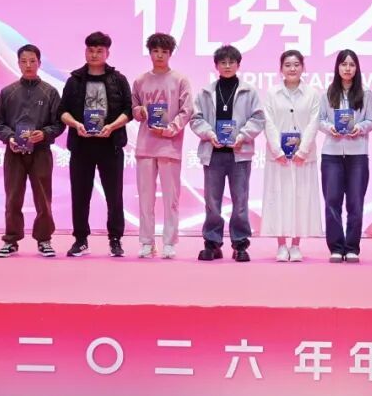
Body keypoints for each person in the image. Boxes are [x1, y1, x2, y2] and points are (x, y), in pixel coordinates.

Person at [58, 31, 133, 258]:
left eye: (99, 51)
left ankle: (115, 239)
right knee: (80, 195)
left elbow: (128, 111)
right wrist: (76, 124)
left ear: (107, 53)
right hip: (81, 146)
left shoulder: (118, 80)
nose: (94, 54)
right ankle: (80, 240)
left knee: (114, 195)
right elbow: (62, 111)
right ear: (85, 51)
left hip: (110, 145)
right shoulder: (74, 80)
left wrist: (112, 127)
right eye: (91, 50)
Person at [189, 44, 265, 262]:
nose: (228, 65)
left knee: (240, 202)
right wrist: (209, 134)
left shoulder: (249, 91)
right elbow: (196, 119)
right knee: (212, 202)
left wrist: (242, 136)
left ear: (238, 65)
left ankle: (240, 244)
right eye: (223, 62)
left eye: (232, 62)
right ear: (216, 66)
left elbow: (258, 118)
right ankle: (212, 243)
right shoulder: (206, 92)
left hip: (239, 152)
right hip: (213, 152)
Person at [0, 45, 65, 258]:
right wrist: (10, 137)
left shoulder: (50, 92)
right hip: (14, 152)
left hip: (41, 152)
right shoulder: (8, 92)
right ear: (18, 63)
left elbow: (59, 123)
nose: (28, 65)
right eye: (24, 61)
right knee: (13, 197)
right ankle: (11, 240)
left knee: (43, 198)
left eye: (32, 61)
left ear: (39, 63)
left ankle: (44, 239)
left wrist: (44, 133)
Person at [130, 33, 194, 259]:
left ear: (170, 54)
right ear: (149, 52)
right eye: (155, 51)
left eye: (164, 52)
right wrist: (139, 112)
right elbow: (134, 108)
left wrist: (170, 129)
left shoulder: (180, 80)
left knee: (171, 199)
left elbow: (187, 111)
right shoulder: (140, 81)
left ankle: (169, 242)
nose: (159, 55)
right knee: (145, 199)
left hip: (169, 146)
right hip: (145, 147)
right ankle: (147, 242)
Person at [262, 50, 322, 262]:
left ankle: (296, 245)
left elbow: (314, 123)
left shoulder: (312, 94)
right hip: (278, 157)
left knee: (301, 199)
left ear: (303, 67)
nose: (292, 68)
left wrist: (303, 150)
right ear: (281, 69)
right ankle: (281, 245)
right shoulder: (272, 93)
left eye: (296, 64)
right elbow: (268, 122)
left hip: (303, 157)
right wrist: (277, 150)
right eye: (287, 65)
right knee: (278, 198)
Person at [318, 49, 372, 262]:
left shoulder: (365, 93)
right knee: (332, 202)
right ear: (337, 67)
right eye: (344, 64)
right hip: (331, 154)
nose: (348, 68)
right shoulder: (327, 93)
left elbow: (371, 120)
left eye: (351, 64)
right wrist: (329, 128)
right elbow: (320, 120)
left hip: (357, 154)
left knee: (355, 203)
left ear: (357, 68)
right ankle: (336, 247)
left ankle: (352, 247)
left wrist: (359, 128)